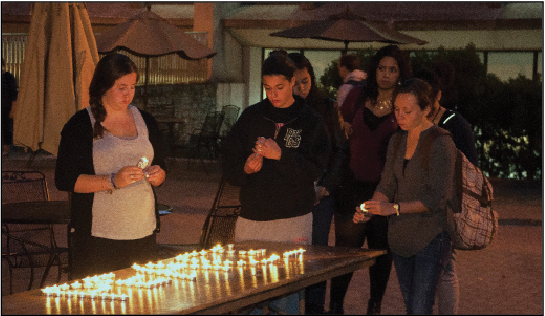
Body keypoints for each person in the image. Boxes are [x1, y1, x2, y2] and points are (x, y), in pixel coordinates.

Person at [220, 50, 330, 314]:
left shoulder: (309, 119)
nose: (274, 94)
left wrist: (281, 155)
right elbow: (227, 161)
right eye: (268, 88)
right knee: (248, 293)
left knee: (287, 296)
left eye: (279, 87)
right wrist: (246, 167)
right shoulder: (252, 116)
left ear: (293, 82)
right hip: (253, 218)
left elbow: (315, 167)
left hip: (291, 219)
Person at [55, 53, 166, 280]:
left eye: (133, 86)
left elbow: (161, 165)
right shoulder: (81, 124)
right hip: (98, 236)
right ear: (104, 87)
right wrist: (112, 180)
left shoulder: (145, 120)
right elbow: (65, 179)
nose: (129, 94)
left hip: (142, 229)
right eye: (121, 87)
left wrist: (159, 174)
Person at [355, 78, 456, 314]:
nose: (399, 116)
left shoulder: (441, 142)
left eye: (407, 111)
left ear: (426, 109)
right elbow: (388, 182)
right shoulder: (397, 139)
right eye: (397, 110)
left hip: (432, 235)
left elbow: (438, 198)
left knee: (420, 308)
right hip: (401, 237)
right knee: (412, 305)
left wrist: (394, 208)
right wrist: (370, 208)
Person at [329, 44, 412, 315]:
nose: (386, 74)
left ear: (400, 73)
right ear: (374, 69)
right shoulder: (356, 97)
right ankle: (336, 307)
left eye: (392, 70)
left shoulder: (404, 104)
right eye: (381, 68)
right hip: (353, 187)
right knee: (345, 254)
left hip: (387, 192)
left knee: (380, 254)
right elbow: (341, 137)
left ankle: (374, 307)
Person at [288, 52, 349, 314]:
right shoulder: (284, 110)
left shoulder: (326, 107)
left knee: (317, 252)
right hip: (291, 193)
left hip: (321, 194)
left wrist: (326, 186)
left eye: (305, 81)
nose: (301, 89)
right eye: (295, 83)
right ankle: (290, 304)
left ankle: (314, 308)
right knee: (289, 253)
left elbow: (340, 150)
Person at [414, 67, 478, 314]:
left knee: (446, 266)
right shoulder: (409, 120)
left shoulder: (455, 124)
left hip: (446, 205)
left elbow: (471, 166)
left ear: (438, 96)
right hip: (415, 203)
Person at [2, 58, 18, 156]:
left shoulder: (8, 77)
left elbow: (14, 95)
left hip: (5, 108)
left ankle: (6, 149)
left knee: (6, 128)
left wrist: (13, 109)